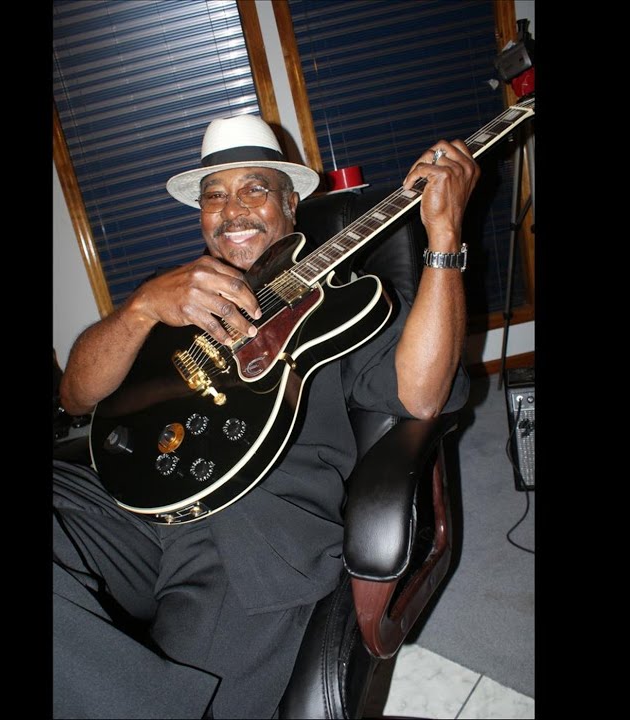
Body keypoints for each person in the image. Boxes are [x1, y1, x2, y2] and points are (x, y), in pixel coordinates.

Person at [53, 113, 479, 719]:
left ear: (291, 204)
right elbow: (75, 396)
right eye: (214, 196)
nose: (232, 210)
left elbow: (424, 397)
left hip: (244, 531)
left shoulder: (345, 305)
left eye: (254, 188)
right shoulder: (172, 292)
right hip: (122, 501)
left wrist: (443, 235)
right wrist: (142, 308)